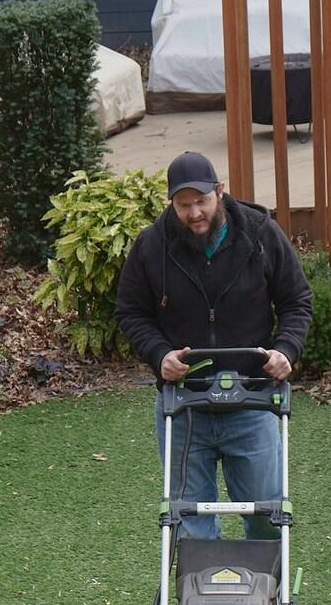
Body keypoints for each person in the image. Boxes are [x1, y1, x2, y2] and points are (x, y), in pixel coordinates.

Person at [116, 151, 313, 539]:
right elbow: (131, 312)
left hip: (253, 401)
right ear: (171, 203)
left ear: (220, 193)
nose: (194, 214)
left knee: (266, 517)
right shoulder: (152, 246)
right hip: (184, 406)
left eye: (202, 201)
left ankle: (266, 597)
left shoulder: (260, 234)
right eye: (184, 205)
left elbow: (296, 301)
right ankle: (201, 601)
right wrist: (160, 356)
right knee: (191, 527)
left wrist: (286, 350)